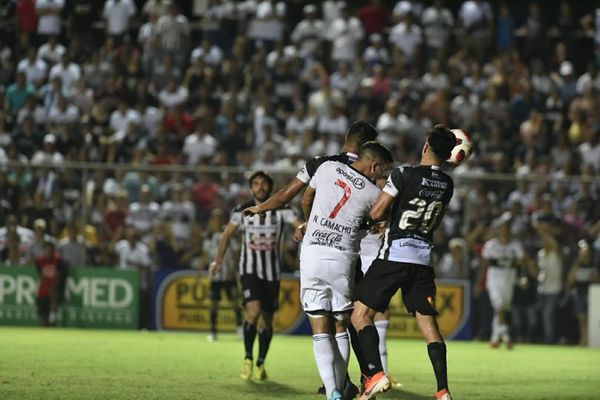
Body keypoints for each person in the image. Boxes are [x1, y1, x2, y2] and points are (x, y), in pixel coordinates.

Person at [351, 125, 457, 400]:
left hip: (395, 255)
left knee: (360, 314)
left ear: (425, 146)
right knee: (429, 326)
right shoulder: (448, 184)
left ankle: (375, 375)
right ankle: (443, 391)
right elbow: (435, 220)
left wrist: (378, 219)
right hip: (423, 260)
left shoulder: (403, 173)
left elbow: (377, 211)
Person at [300, 142, 393, 400]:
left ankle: (333, 391)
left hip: (313, 253)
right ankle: (341, 385)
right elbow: (378, 218)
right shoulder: (373, 193)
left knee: (319, 326)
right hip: (343, 259)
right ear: (374, 166)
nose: (378, 176)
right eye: (380, 170)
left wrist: (309, 223)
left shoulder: (328, 167)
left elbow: (307, 198)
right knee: (341, 325)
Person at [210, 171, 301, 381]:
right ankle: (248, 358)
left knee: (268, 320)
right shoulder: (242, 210)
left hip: (272, 274)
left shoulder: (283, 209)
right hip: (249, 269)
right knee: (253, 310)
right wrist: (218, 260)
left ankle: (261, 362)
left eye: (263, 183)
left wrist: (303, 228)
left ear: (270, 187)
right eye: (256, 183)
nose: (260, 187)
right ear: (251, 188)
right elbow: (227, 234)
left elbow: (298, 223)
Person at [243, 121, 378, 217]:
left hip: (318, 238)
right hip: (354, 243)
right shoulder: (371, 172)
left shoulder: (320, 162)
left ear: (346, 137)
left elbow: (288, 195)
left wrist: (260, 208)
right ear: (369, 146)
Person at [478, 219, 528, 348]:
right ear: (498, 230)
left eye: (506, 228)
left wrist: (523, 276)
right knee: (499, 305)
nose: (504, 231)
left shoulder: (515, 245)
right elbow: (484, 265)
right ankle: (506, 335)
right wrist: (479, 283)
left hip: (509, 278)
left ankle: (495, 338)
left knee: (502, 309)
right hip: (494, 278)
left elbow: (522, 261)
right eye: (501, 228)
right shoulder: (490, 246)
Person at [200, 209, 242, 342]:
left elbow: (236, 254)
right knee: (214, 304)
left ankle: (240, 329)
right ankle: (213, 332)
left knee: (235, 303)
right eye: (214, 219)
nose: (216, 221)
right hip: (216, 277)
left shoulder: (229, 234)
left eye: (218, 218)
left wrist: (234, 270)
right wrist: (201, 273)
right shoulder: (209, 237)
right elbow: (205, 256)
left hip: (228, 275)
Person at [35, 241, 68, 327]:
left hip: (55, 289)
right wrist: (49, 288)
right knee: (43, 316)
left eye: (50, 250)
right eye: (47, 250)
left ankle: (52, 319)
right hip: (43, 290)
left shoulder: (59, 261)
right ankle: (46, 324)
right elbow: (42, 276)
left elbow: (60, 276)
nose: (49, 252)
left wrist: (54, 289)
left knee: (55, 298)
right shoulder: (39, 261)